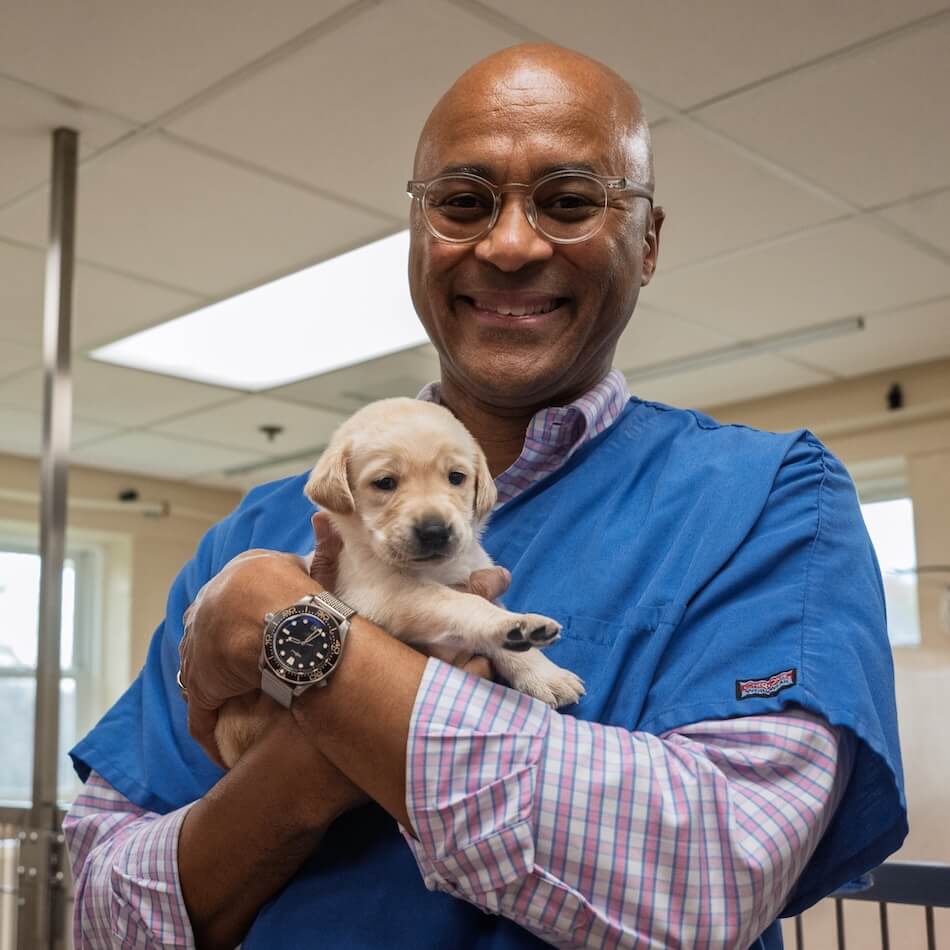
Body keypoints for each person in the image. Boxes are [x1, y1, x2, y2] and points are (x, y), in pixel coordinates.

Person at [65, 44, 906, 950]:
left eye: (570, 201)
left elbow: (713, 874)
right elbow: (109, 904)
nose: (509, 244)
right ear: (419, 234)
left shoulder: (771, 499)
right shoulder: (250, 536)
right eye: (463, 203)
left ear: (648, 241)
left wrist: (322, 667)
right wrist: (306, 774)